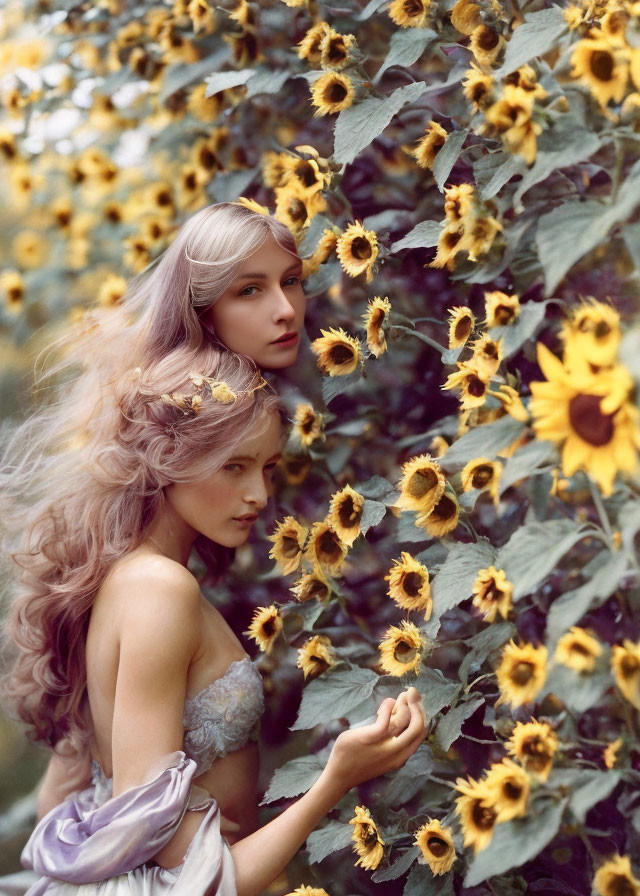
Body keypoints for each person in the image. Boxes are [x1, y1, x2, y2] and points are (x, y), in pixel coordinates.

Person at [0, 211, 428, 893]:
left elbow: (61, 801)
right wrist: (335, 780)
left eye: (266, 468)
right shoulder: (155, 590)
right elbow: (196, 882)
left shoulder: (129, 574)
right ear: (166, 459)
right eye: (233, 468)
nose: (258, 495)